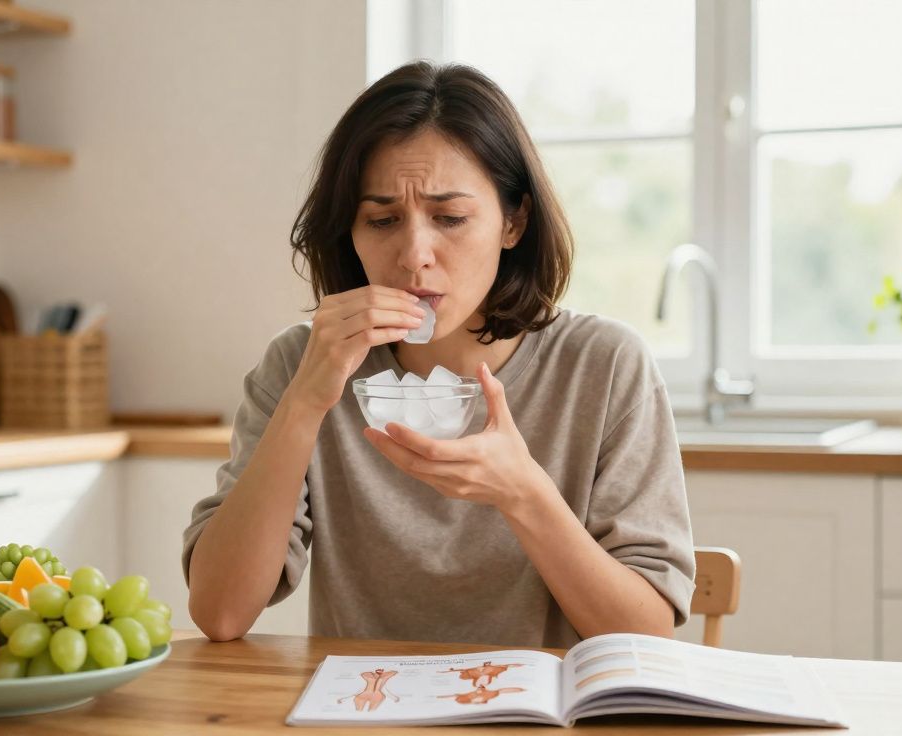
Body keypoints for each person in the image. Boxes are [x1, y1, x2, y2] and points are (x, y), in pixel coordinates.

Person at [183, 60, 695, 648]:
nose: (414, 254)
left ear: (514, 220)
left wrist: (522, 492)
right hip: (363, 709)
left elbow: (645, 635)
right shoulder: (300, 365)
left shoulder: (604, 366)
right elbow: (220, 614)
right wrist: (304, 403)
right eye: (382, 219)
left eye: (450, 217)